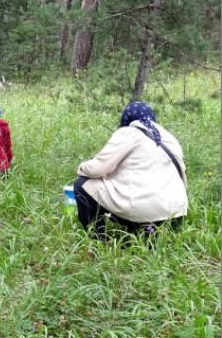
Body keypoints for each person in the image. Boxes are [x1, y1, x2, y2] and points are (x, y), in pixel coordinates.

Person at [74, 101, 187, 239]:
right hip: (176, 212)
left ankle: (98, 240)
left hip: (146, 212)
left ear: (126, 118)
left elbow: (99, 168)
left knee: (81, 184)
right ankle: (146, 233)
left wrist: (81, 168)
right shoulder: (169, 137)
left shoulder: (129, 133)